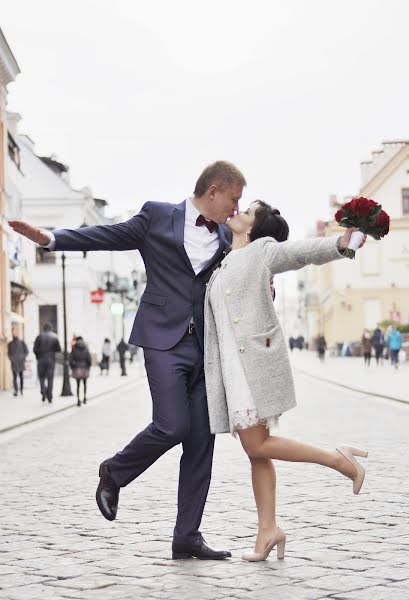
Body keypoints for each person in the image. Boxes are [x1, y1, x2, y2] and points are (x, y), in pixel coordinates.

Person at [8, 160, 245, 560]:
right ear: (213, 191)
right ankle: (114, 472)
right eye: (233, 199)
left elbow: (240, 279)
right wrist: (49, 238)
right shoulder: (157, 215)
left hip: (207, 346)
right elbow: (106, 235)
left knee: (202, 440)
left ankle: (187, 535)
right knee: (172, 426)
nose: (236, 209)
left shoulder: (228, 236)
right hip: (163, 340)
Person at [204, 201, 368, 562]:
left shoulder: (262, 251)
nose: (237, 211)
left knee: (258, 446)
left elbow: (299, 253)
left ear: (254, 226)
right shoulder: (226, 259)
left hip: (252, 367)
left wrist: (341, 245)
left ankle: (339, 460)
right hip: (233, 368)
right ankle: (268, 531)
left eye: (247, 209)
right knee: (256, 450)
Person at [33, 323, 62, 403]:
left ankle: (43, 391)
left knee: (41, 377)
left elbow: (34, 349)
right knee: (50, 378)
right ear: (50, 328)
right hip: (50, 360)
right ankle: (49, 395)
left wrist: (38, 356)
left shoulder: (39, 337)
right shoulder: (54, 337)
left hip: (41, 359)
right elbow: (59, 349)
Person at [69, 336, 92, 406]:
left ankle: (78, 400)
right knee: (85, 384)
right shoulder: (86, 347)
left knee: (78, 385)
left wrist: (73, 367)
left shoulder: (74, 347)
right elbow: (89, 359)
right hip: (85, 368)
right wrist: (88, 367)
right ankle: (85, 398)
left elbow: (71, 359)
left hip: (77, 368)